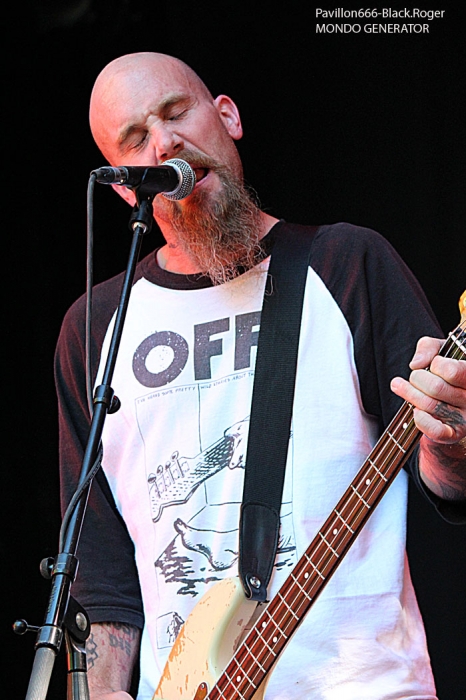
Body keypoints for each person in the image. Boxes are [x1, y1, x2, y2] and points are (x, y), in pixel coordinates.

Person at [55, 52, 466, 700]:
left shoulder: (345, 264)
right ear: (126, 188)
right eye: (135, 139)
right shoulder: (95, 327)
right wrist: (102, 690)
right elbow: (101, 569)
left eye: (175, 112)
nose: (164, 143)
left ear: (227, 116)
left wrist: (451, 437)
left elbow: (448, 479)